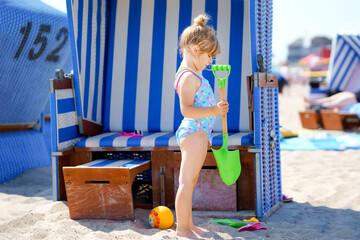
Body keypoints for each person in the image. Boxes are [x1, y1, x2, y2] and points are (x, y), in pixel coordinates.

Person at [174, 14, 229, 239]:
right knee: (186, 182)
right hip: (193, 132)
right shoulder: (188, 77)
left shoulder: (194, 72)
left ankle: (189, 224)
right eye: (209, 56)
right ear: (195, 48)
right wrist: (215, 111)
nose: (211, 62)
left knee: (191, 181)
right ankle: (181, 229)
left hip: (199, 133)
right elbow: (187, 110)